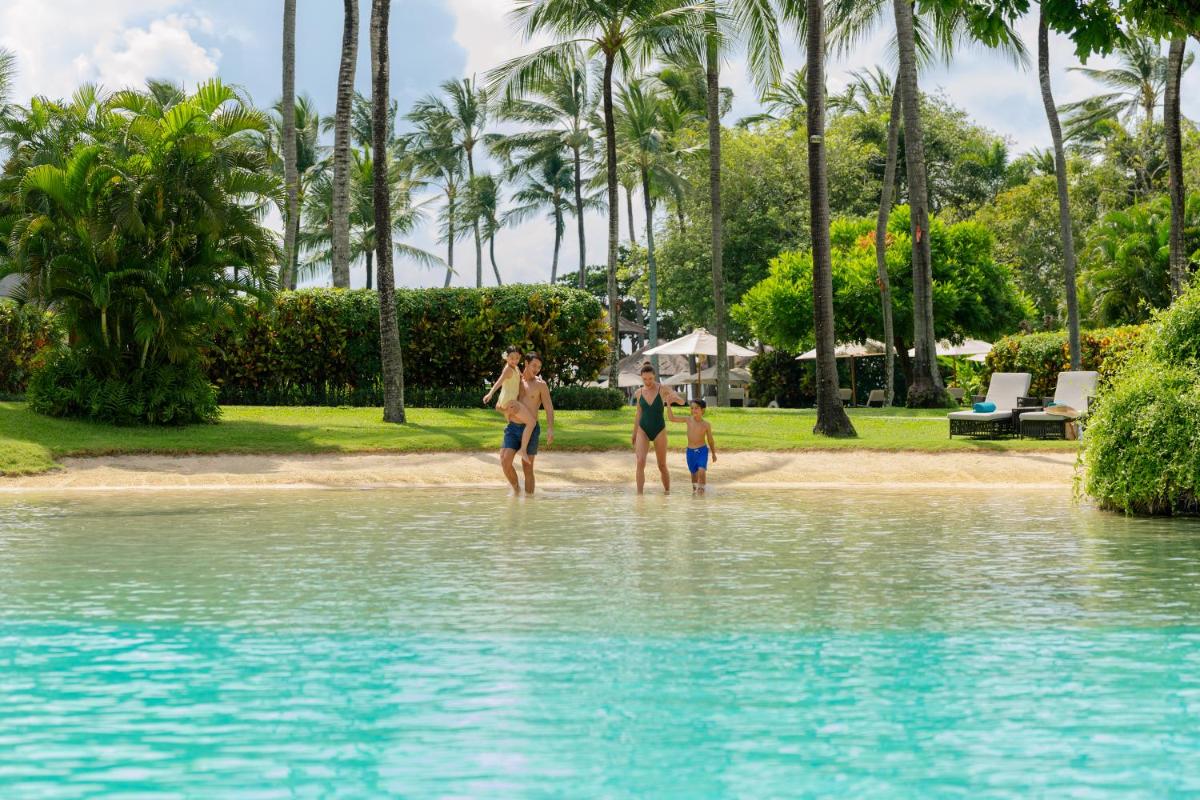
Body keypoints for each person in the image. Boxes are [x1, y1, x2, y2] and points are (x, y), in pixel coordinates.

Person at [499, 352, 555, 495]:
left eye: (539, 367)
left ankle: (529, 500)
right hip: (513, 428)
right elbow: (503, 398)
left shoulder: (541, 385)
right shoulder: (515, 380)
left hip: (531, 430)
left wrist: (550, 428)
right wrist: (505, 410)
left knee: (527, 467)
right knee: (505, 461)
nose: (537, 369)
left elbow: (549, 407)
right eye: (534, 365)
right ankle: (516, 490)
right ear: (526, 363)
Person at [632, 362, 685, 495]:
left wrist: (674, 399)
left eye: (650, 378)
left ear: (654, 376)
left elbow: (682, 401)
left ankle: (667, 493)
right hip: (643, 430)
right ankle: (639, 496)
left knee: (662, 465)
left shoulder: (662, 389)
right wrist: (634, 433)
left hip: (659, 430)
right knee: (640, 461)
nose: (648, 381)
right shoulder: (638, 392)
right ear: (641, 378)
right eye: (645, 379)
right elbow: (638, 413)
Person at [484, 345, 538, 464]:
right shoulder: (508, 369)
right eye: (511, 358)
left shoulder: (515, 368)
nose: (514, 360)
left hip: (508, 400)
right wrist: (490, 394)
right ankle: (523, 450)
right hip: (509, 401)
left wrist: (535, 377)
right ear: (506, 357)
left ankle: (509, 432)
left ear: (520, 357)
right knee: (532, 422)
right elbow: (499, 382)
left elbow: (521, 378)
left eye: (517, 358)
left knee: (513, 421)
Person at [668, 399, 717, 493]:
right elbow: (672, 418)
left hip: (702, 451)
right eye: (692, 408)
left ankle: (702, 493)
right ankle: (695, 496)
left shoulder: (706, 425)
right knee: (694, 478)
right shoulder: (688, 420)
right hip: (690, 452)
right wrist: (669, 404)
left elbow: (710, 440)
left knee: (701, 471)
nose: (694, 410)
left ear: (702, 410)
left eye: (696, 408)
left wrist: (713, 454)